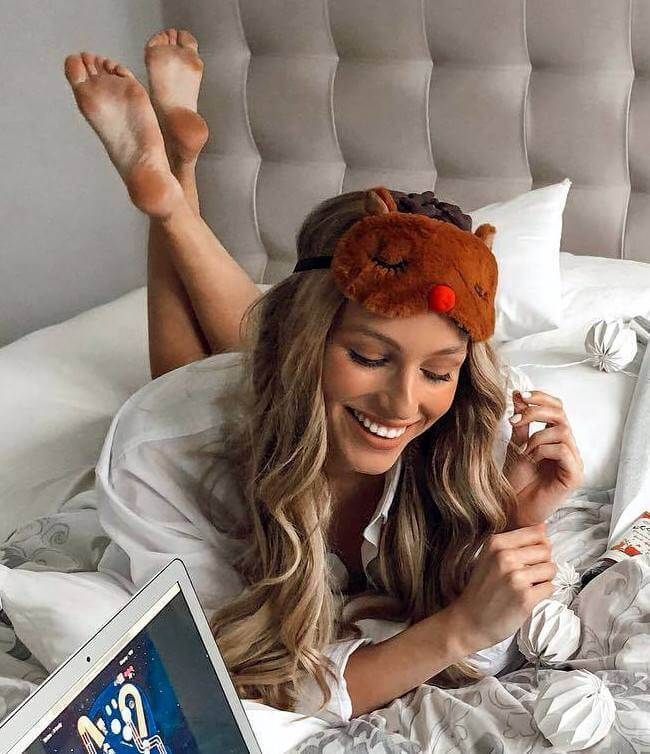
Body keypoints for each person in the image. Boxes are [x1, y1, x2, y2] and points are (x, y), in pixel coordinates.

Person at [64, 29, 585, 723]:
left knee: (220, 370)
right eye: (369, 358)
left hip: (283, 368)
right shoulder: (164, 446)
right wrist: (454, 630)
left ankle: (174, 185)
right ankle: (172, 188)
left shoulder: (479, 421)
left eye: (439, 370)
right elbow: (235, 681)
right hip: (220, 408)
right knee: (184, 384)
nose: (404, 403)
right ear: (302, 342)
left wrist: (518, 517)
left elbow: (501, 619)